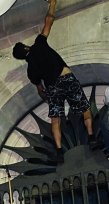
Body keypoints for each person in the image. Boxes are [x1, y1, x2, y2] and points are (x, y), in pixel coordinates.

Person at [12, 0, 97, 164]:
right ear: (26, 47)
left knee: (56, 119)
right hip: (66, 78)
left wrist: (45, 94)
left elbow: (39, 88)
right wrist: (52, 3)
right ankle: (92, 137)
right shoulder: (39, 44)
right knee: (84, 108)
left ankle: (59, 151)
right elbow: (49, 20)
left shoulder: (31, 70)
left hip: (53, 87)